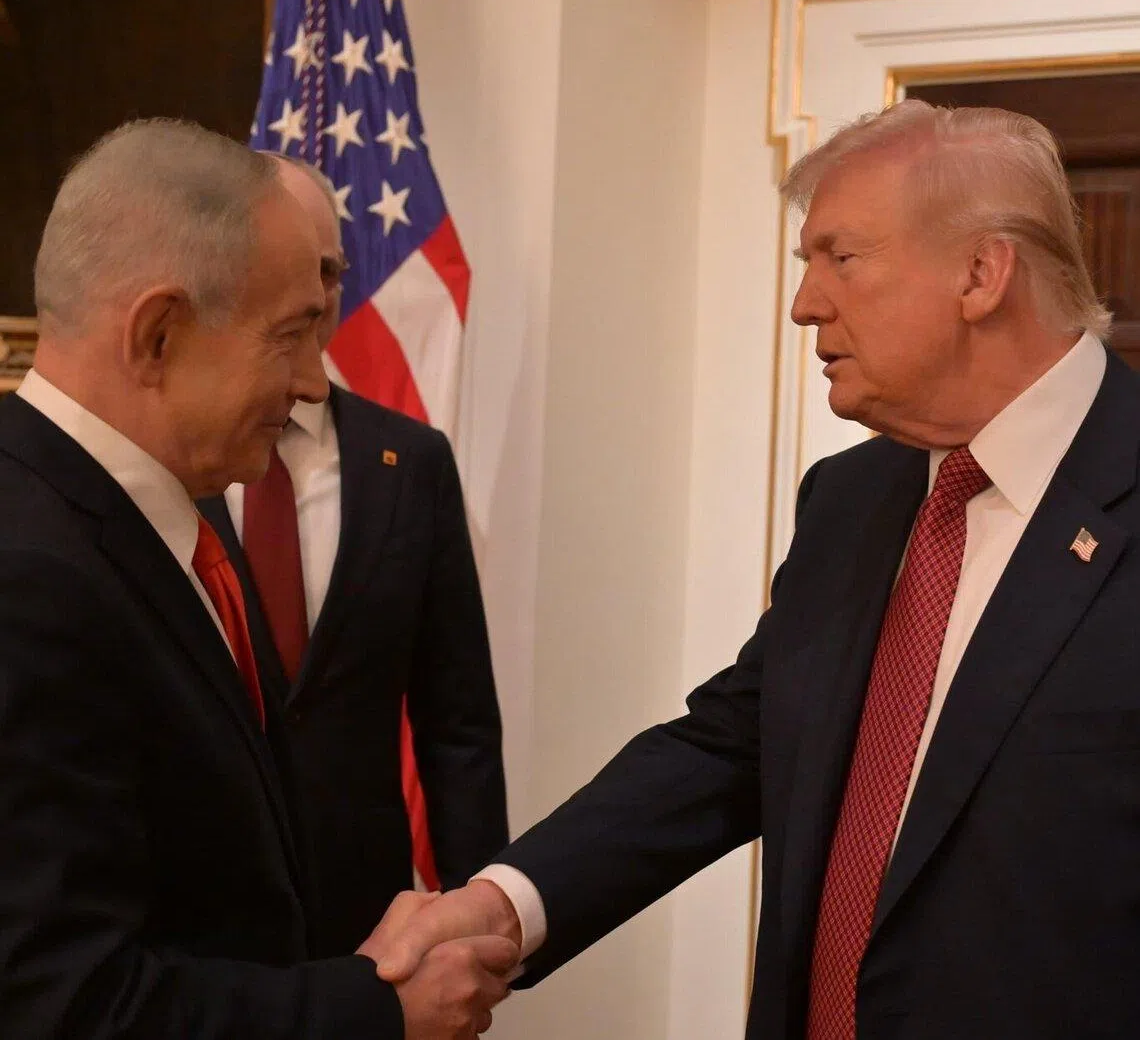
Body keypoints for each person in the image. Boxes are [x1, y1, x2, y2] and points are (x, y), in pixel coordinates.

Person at [365, 99, 1140, 1040]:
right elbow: (737, 744)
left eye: (840, 258)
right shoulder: (850, 499)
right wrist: (503, 905)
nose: (806, 302)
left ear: (981, 274)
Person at [0, 118, 515, 1038]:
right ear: (158, 334)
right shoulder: (29, 575)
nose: (315, 382)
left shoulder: (115, 522)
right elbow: (62, 1004)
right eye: (290, 335)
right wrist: (378, 1008)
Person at [198, 154, 508, 957]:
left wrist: (477, 911)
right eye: (295, 272)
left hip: (365, 913)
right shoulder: (176, 454)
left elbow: (458, 718)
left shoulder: (412, 462)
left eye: (331, 271)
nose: (320, 294)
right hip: (197, 907)